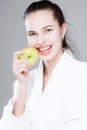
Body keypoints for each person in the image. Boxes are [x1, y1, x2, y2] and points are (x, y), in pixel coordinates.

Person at [0, 0, 87, 130]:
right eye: (32, 34)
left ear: (62, 30)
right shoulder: (25, 81)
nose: (40, 40)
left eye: (48, 30)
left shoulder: (82, 74)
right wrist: (23, 86)